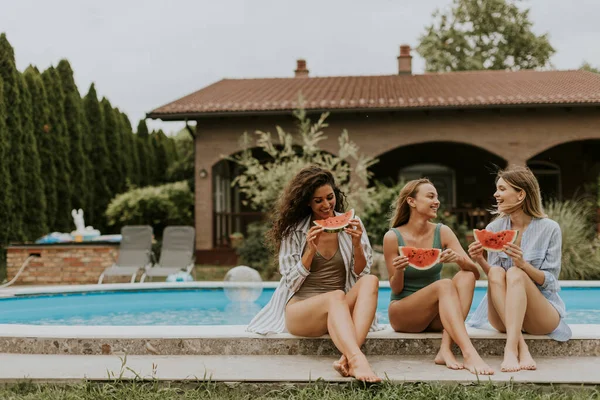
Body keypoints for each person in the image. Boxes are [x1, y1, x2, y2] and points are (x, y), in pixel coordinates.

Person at [247, 165, 382, 382]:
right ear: (307, 202)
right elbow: (290, 281)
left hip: (339, 308)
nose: (327, 205)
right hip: (301, 311)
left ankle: (345, 359)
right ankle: (357, 360)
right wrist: (309, 250)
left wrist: (357, 244)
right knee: (335, 296)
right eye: (318, 201)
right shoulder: (294, 231)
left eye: (330, 198)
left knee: (371, 280)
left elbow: (361, 272)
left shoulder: (352, 224)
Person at [384, 178, 494, 375]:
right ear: (412, 201)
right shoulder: (393, 237)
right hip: (403, 314)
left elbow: (475, 273)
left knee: (466, 276)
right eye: (430, 196)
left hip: (436, 316)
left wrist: (459, 259)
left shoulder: (442, 231)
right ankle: (469, 353)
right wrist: (399, 269)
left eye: (437, 197)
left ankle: (445, 348)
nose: (437, 201)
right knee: (444, 285)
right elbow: (396, 289)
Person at [468, 166, 571, 372]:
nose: (496, 194)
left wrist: (523, 265)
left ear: (520, 194)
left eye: (502, 189)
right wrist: (480, 259)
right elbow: (495, 279)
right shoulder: (494, 229)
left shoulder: (550, 228)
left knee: (515, 272)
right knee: (497, 272)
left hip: (540, 315)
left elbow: (551, 281)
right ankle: (519, 347)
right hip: (502, 316)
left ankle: (510, 349)